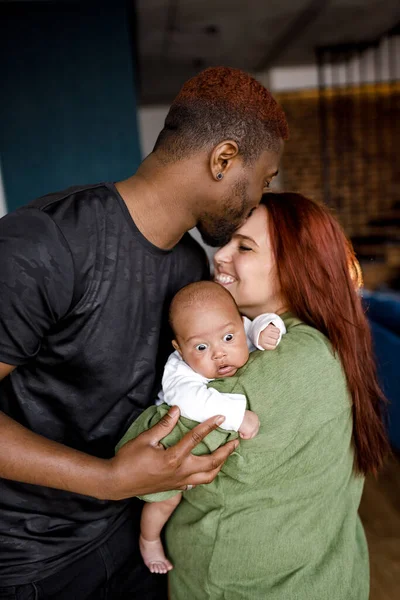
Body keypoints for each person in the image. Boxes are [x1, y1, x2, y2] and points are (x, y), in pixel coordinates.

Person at [0, 66, 288, 599]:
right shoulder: (44, 243)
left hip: (136, 536)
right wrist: (106, 479)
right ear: (223, 159)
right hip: (31, 560)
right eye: (263, 180)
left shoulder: (187, 268)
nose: (258, 200)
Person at [118, 192, 389, 599]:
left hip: (248, 583)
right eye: (227, 241)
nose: (219, 255)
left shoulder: (283, 363)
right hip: (319, 572)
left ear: (296, 266)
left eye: (244, 246)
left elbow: (147, 455)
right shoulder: (321, 340)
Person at [120, 280, 285, 574]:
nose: (219, 353)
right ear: (180, 349)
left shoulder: (240, 331)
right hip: (170, 441)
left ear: (239, 324)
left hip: (206, 446)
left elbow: (261, 322)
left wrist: (266, 329)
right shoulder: (178, 369)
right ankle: (149, 539)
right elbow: (189, 401)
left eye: (228, 338)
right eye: (200, 347)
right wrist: (238, 415)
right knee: (166, 499)